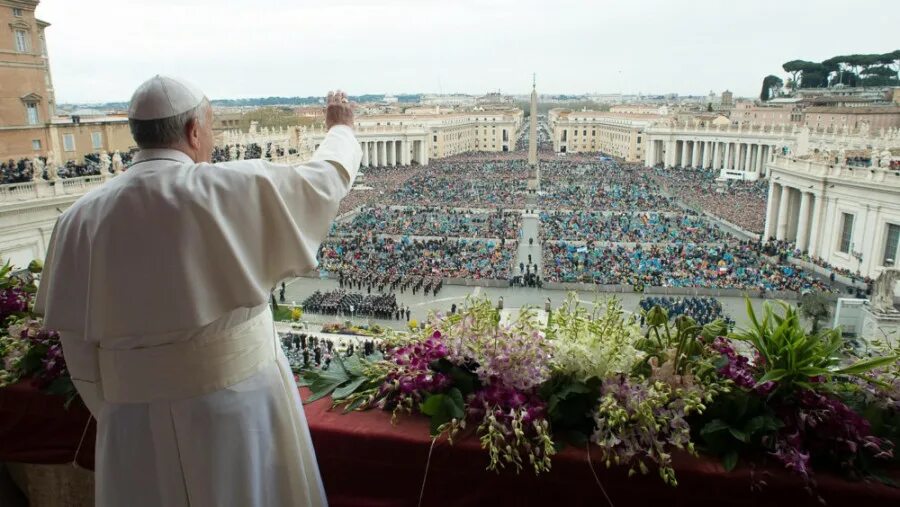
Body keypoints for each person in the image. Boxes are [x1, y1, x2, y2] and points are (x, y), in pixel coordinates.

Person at [35, 75, 362, 507]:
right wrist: (341, 129)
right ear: (193, 131)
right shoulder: (230, 187)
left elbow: (78, 351)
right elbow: (324, 181)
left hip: (132, 420)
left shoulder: (77, 219)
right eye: (210, 127)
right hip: (239, 408)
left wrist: (129, 403)